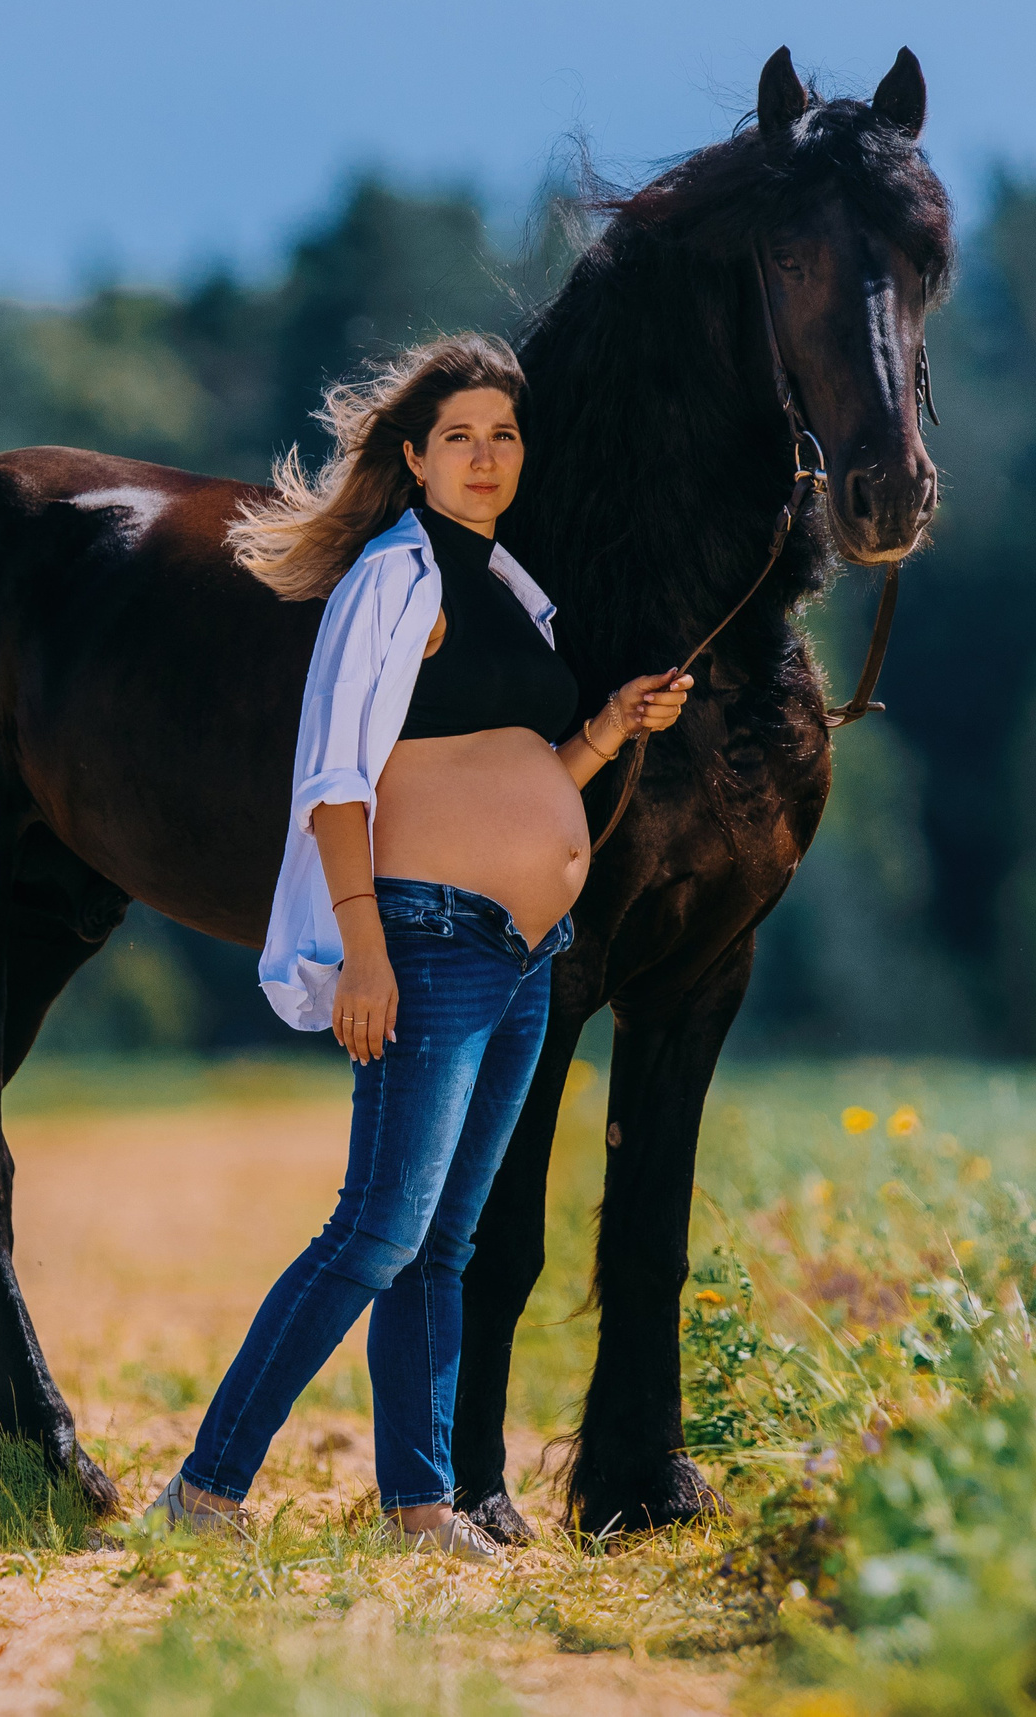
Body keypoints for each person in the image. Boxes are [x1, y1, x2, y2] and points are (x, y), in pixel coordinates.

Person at [148, 333, 692, 1556]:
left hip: (521, 960)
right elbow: (338, 781)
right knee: (378, 1228)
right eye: (460, 436)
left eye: (503, 435)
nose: (486, 455)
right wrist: (364, 951)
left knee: (442, 1239)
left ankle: (420, 1506)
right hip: (427, 940)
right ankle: (202, 1490)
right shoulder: (394, 580)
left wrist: (607, 725)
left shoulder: (511, 590)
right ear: (415, 456)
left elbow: (524, 774)